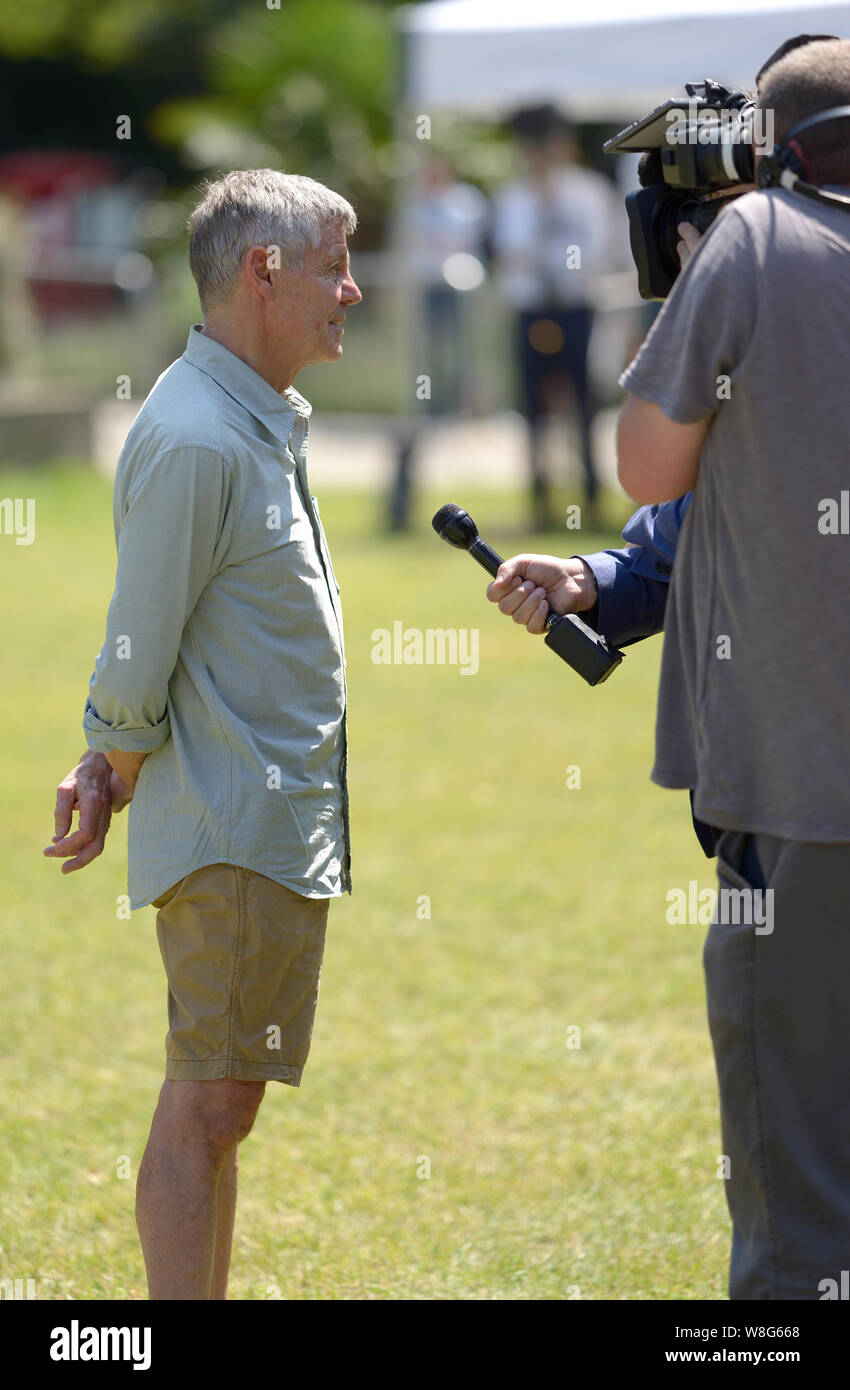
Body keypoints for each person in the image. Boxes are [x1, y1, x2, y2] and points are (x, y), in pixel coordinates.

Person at [493, 37, 850, 1300]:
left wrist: (703, 293)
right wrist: (599, 580)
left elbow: (657, 462)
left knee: (798, 1175)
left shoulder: (754, 245)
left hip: (800, 796)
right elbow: (733, 500)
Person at [43, 169, 362, 1300]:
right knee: (210, 1103)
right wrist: (108, 761)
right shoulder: (196, 435)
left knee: (226, 1101)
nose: (352, 289)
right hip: (231, 821)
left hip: (263, 817)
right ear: (263, 272)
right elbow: (141, 638)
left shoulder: (241, 416)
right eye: (332, 263)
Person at [492, 105, 622, 530]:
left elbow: (599, 250)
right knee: (534, 409)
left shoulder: (588, 193)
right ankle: (540, 502)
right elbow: (510, 253)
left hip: (575, 308)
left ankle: (591, 497)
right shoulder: (512, 197)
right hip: (532, 310)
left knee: (584, 406)